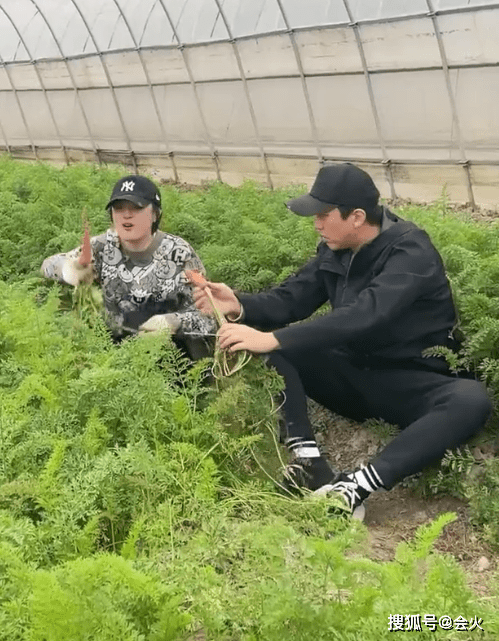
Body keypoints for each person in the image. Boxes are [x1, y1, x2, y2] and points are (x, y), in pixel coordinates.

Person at [192, 163, 493, 519]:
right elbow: (293, 298)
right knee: (275, 348)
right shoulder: (335, 251)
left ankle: (357, 486)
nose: (317, 224)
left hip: (412, 384)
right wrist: (240, 304)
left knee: (471, 400)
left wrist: (272, 338)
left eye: (323, 214)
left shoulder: (411, 253)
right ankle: (308, 462)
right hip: (355, 377)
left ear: (357, 216)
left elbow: (365, 314)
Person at [41, 173, 215, 361]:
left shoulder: (179, 253)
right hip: (118, 351)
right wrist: (70, 269)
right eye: (119, 207)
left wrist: (171, 322)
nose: (126, 214)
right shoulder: (102, 247)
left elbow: (209, 317)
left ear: (155, 214)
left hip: (175, 356)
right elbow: (48, 266)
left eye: (136, 207)